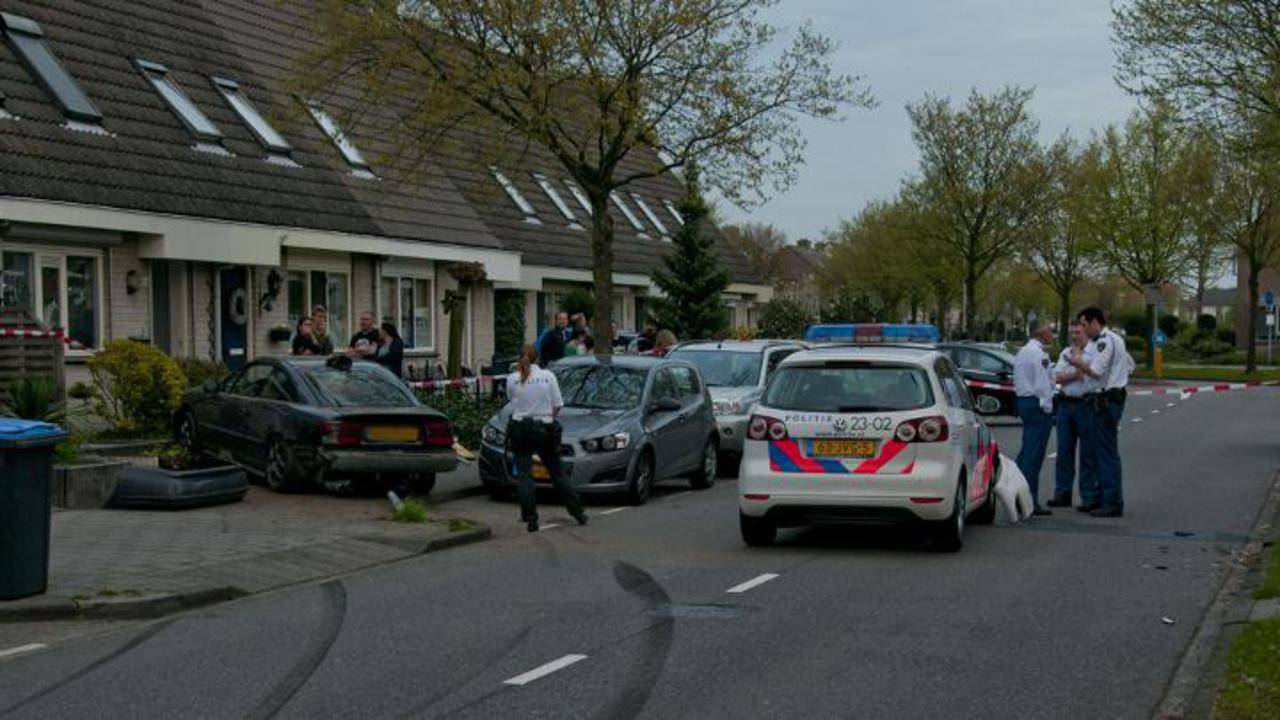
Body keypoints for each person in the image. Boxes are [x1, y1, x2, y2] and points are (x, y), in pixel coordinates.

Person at [504, 343, 587, 532]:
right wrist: (547, 417)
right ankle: (577, 511)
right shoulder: (548, 377)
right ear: (538, 359)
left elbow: (511, 400)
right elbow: (558, 405)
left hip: (521, 428)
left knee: (525, 475)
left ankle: (530, 518)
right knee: (557, 472)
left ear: (520, 359)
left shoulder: (512, 378)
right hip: (544, 428)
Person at [1068, 306, 1135, 517]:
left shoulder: (1107, 341)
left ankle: (1112, 501)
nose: (1083, 330)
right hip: (1101, 401)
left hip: (1106, 401)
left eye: (1085, 325)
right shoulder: (1104, 342)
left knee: (1106, 453)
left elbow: (1096, 372)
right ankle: (1100, 497)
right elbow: (1127, 365)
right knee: (1097, 453)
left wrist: (1077, 361)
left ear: (1095, 322)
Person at [1048, 321, 1098, 509]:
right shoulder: (1065, 353)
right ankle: (1063, 492)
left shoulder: (1094, 352)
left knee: (1087, 453)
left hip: (1085, 404)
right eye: (1071, 333)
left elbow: (1086, 374)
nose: (1074, 336)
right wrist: (1075, 372)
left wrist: (1076, 369)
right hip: (1065, 404)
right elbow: (1055, 377)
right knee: (1064, 451)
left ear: (1085, 332)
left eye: (1077, 332)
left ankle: (1088, 495)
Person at [1013, 321, 1055, 516]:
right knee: (1034, 455)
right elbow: (1042, 384)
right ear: (1040, 332)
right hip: (1036, 404)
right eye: (1049, 330)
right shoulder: (1040, 354)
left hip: (1024, 402)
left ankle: (1017, 495)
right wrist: (1048, 408)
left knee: (1027, 451)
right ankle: (1029, 501)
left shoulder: (1023, 351)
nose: (1052, 334)